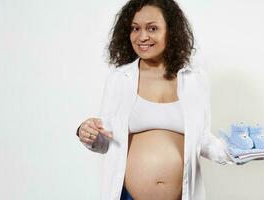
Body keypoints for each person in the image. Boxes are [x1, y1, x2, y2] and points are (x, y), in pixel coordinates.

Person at [76, 0, 233, 199]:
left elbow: (201, 139)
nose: (142, 36)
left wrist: (234, 152)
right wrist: (87, 132)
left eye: (152, 28)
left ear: (171, 31)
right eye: (135, 28)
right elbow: (105, 140)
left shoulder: (195, 80)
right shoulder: (119, 79)